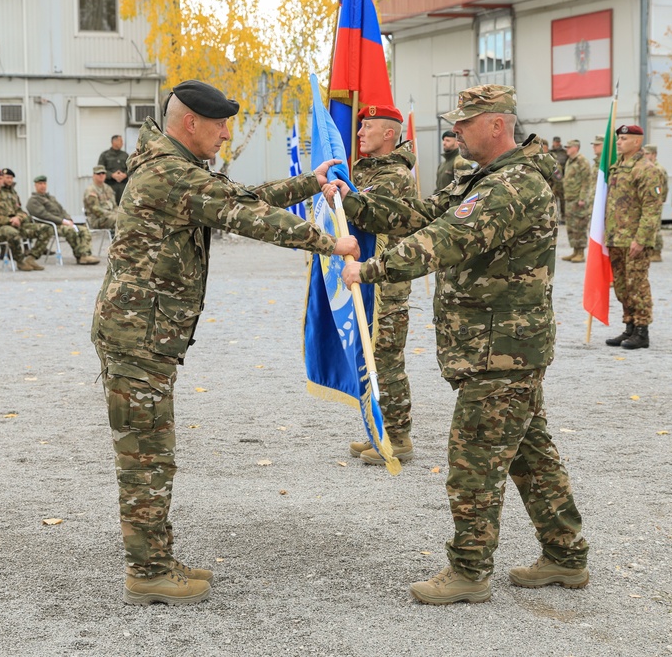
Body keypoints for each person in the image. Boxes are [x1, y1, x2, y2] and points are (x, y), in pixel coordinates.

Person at [90, 80, 360, 606]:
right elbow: (246, 215)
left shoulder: (174, 168)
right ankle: (146, 571)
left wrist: (308, 184)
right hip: (138, 336)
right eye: (219, 125)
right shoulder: (169, 172)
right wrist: (330, 243)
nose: (226, 134)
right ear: (190, 122)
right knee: (146, 455)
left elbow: (237, 199)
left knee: (154, 451)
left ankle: (158, 557)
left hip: (148, 333)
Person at [336, 84, 589, 605]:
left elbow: (442, 240)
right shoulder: (484, 177)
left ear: (497, 124)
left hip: (502, 350)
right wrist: (352, 201)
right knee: (530, 456)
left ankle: (469, 572)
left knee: (473, 461)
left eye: (465, 123)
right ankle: (565, 557)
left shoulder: (512, 185)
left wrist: (371, 269)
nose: (456, 132)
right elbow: (422, 216)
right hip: (497, 347)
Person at [344, 103, 418, 466]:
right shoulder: (370, 171)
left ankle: (399, 435)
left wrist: (346, 197)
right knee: (372, 351)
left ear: (389, 134)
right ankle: (381, 428)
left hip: (388, 280)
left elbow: (378, 214)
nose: (359, 133)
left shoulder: (395, 175)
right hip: (371, 274)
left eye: (367, 126)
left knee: (386, 356)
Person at [602, 125, 664, 350]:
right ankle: (628, 325)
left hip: (634, 238)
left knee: (636, 284)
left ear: (637, 142)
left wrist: (642, 238)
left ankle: (642, 330)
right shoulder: (616, 168)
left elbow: (652, 207)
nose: (619, 142)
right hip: (616, 237)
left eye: (624, 139)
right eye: (618, 138)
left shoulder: (646, 169)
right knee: (621, 286)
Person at [0, 169, 54, 272]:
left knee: (47, 229)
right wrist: (9, 220)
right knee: (12, 233)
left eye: (0, 178)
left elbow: (19, 210)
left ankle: (31, 258)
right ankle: (20, 261)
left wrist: (18, 218)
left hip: (16, 224)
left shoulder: (9, 195)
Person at [26, 175, 101, 265]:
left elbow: (62, 210)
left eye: (44, 183)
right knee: (70, 230)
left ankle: (85, 254)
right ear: (35, 186)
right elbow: (44, 215)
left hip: (61, 223)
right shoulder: (33, 201)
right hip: (49, 226)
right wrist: (62, 221)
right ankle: (80, 255)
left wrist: (68, 219)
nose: (43, 186)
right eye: (40, 184)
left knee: (84, 230)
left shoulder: (51, 198)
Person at [561, 139, 592, 262]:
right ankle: (574, 251)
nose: (567, 149)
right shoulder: (570, 161)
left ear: (576, 148)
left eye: (569, 147)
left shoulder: (582, 161)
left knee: (579, 226)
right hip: (569, 199)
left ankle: (581, 253)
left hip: (578, 200)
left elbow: (586, 181)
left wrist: (582, 198)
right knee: (571, 227)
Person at [642, 145, 667, 262]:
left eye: (647, 154)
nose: (645, 156)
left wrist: (659, 199)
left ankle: (657, 252)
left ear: (654, 155)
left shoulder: (658, 169)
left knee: (655, 227)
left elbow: (661, 188)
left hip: (655, 202)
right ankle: (649, 250)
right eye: (644, 154)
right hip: (645, 202)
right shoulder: (645, 168)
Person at [83, 165, 119, 231]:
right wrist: (112, 214)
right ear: (94, 175)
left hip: (110, 217)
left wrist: (119, 213)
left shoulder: (108, 188)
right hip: (96, 220)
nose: (101, 175)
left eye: (103, 173)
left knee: (125, 218)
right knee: (118, 219)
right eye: (98, 173)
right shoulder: (91, 190)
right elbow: (96, 210)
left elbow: (114, 205)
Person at [98, 134, 130, 204]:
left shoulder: (125, 155)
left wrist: (125, 174)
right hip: (109, 187)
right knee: (109, 206)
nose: (122, 143)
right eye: (120, 141)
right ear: (114, 142)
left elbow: (131, 169)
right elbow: (100, 170)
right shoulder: (104, 155)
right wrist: (112, 175)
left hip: (123, 187)